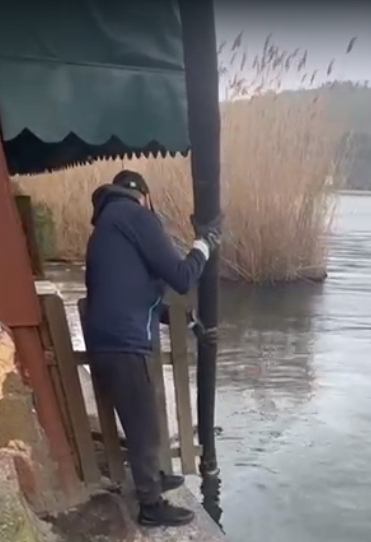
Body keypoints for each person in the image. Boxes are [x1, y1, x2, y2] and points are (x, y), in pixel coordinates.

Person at [83, 169, 220, 528]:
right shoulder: (136, 216)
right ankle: (150, 505)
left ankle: (152, 479)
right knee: (144, 427)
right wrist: (203, 244)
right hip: (127, 345)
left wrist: (186, 322)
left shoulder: (104, 229)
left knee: (140, 419)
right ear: (143, 195)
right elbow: (181, 276)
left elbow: (127, 293)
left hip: (105, 343)